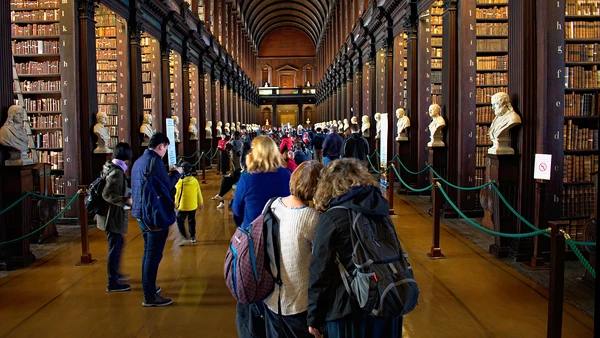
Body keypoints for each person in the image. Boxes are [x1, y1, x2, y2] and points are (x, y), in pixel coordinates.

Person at [307, 158, 403, 338]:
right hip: (387, 300)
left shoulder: (333, 217)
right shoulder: (380, 209)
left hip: (349, 309)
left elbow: (320, 272)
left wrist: (314, 317)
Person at [231, 135, 291, 338]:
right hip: (283, 239)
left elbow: (237, 211)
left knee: (253, 283)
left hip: (254, 243)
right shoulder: (287, 175)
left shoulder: (247, 179)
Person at [263, 161, 323, 338]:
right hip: (298, 303)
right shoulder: (311, 217)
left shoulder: (272, 204)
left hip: (271, 298)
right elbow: (321, 262)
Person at [131, 132, 183, 307]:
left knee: (148, 252)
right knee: (153, 255)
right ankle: (149, 295)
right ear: (161, 146)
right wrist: (177, 173)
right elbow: (167, 187)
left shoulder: (139, 161)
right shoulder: (156, 162)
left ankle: (149, 286)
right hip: (153, 215)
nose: (165, 151)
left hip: (141, 213)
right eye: (166, 148)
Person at [96, 142, 133, 292]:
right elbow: (107, 194)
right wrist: (125, 200)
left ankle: (115, 274)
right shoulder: (117, 172)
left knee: (117, 243)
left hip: (109, 215)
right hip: (111, 216)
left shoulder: (110, 167)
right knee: (115, 245)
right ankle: (112, 282)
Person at [174, 162, 204, 245]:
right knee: (191, 220)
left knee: (180, 220)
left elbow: (177, 194)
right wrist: (200, 203)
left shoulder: (180, 182)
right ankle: (193, 236)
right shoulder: (194, 181)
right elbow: (198, 192)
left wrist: (175, 202)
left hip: (182, 206)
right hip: (193, 205)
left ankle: (185, 236)